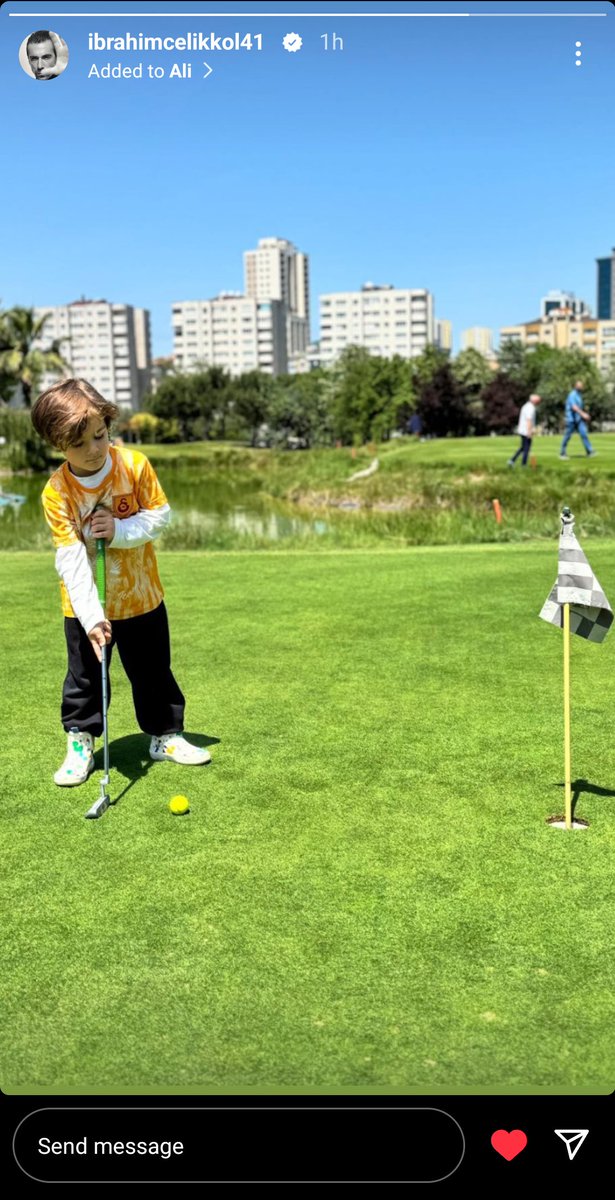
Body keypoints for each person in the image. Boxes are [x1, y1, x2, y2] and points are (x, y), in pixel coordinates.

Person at [31, 378, 211, 786]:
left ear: (108, 423)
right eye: (79, 444)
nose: (95, 450)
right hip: (84, 604)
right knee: (84, 678)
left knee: (153, 670)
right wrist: (91, 618)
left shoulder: (134, 465)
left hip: (142, 596)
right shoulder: (57, 492)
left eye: (100, 435)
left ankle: (165, 735)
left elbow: (160, 517)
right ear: (58, 443)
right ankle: (81, 742)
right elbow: (72, 559)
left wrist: (118, 530)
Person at [559, 380, 596, 460]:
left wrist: (583, 415)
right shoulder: (572, 395)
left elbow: (579, 406)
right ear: (575, 386)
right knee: (567, 436)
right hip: (571, 419)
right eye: (579, 385)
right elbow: (574, 407)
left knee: (584, 434)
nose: (581, 387)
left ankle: (590, 451)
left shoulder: (579, 395)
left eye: (581, 385)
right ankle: (562, 453)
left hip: (578, 419)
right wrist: (583, 414)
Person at [507, 393, 541, 467]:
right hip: (526, 431)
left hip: (522, 430)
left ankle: (512, 460)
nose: (539, 402)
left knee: (523, 447)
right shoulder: (530, 408)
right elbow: (529, 420)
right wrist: (529, 432)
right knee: (526, 448)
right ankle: (524, 464)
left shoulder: (526, 406)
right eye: (538, 401)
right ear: (534, 401)